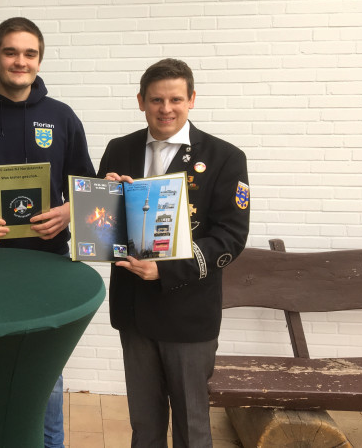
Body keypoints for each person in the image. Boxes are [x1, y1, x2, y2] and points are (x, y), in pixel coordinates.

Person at [0, 17, 95, 448]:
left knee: (44, 376)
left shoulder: (62, 118)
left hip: (46, 265)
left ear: (39, 60)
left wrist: (67, 211)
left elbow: (87, 186)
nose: (19, 61)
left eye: (29, 54)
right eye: (10, 52)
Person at [97, 58, 250, 447]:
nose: (166, 109)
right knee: (144, 428)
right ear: (141, 101)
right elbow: (106, 230)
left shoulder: (225, 157)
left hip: (188, 314)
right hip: (134, 311)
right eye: (156, 100)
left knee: (192, 428)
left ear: (192, 99)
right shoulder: (119, 149)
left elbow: (231, 236)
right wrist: (106, 196)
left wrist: (165, 271)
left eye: (175, 99)